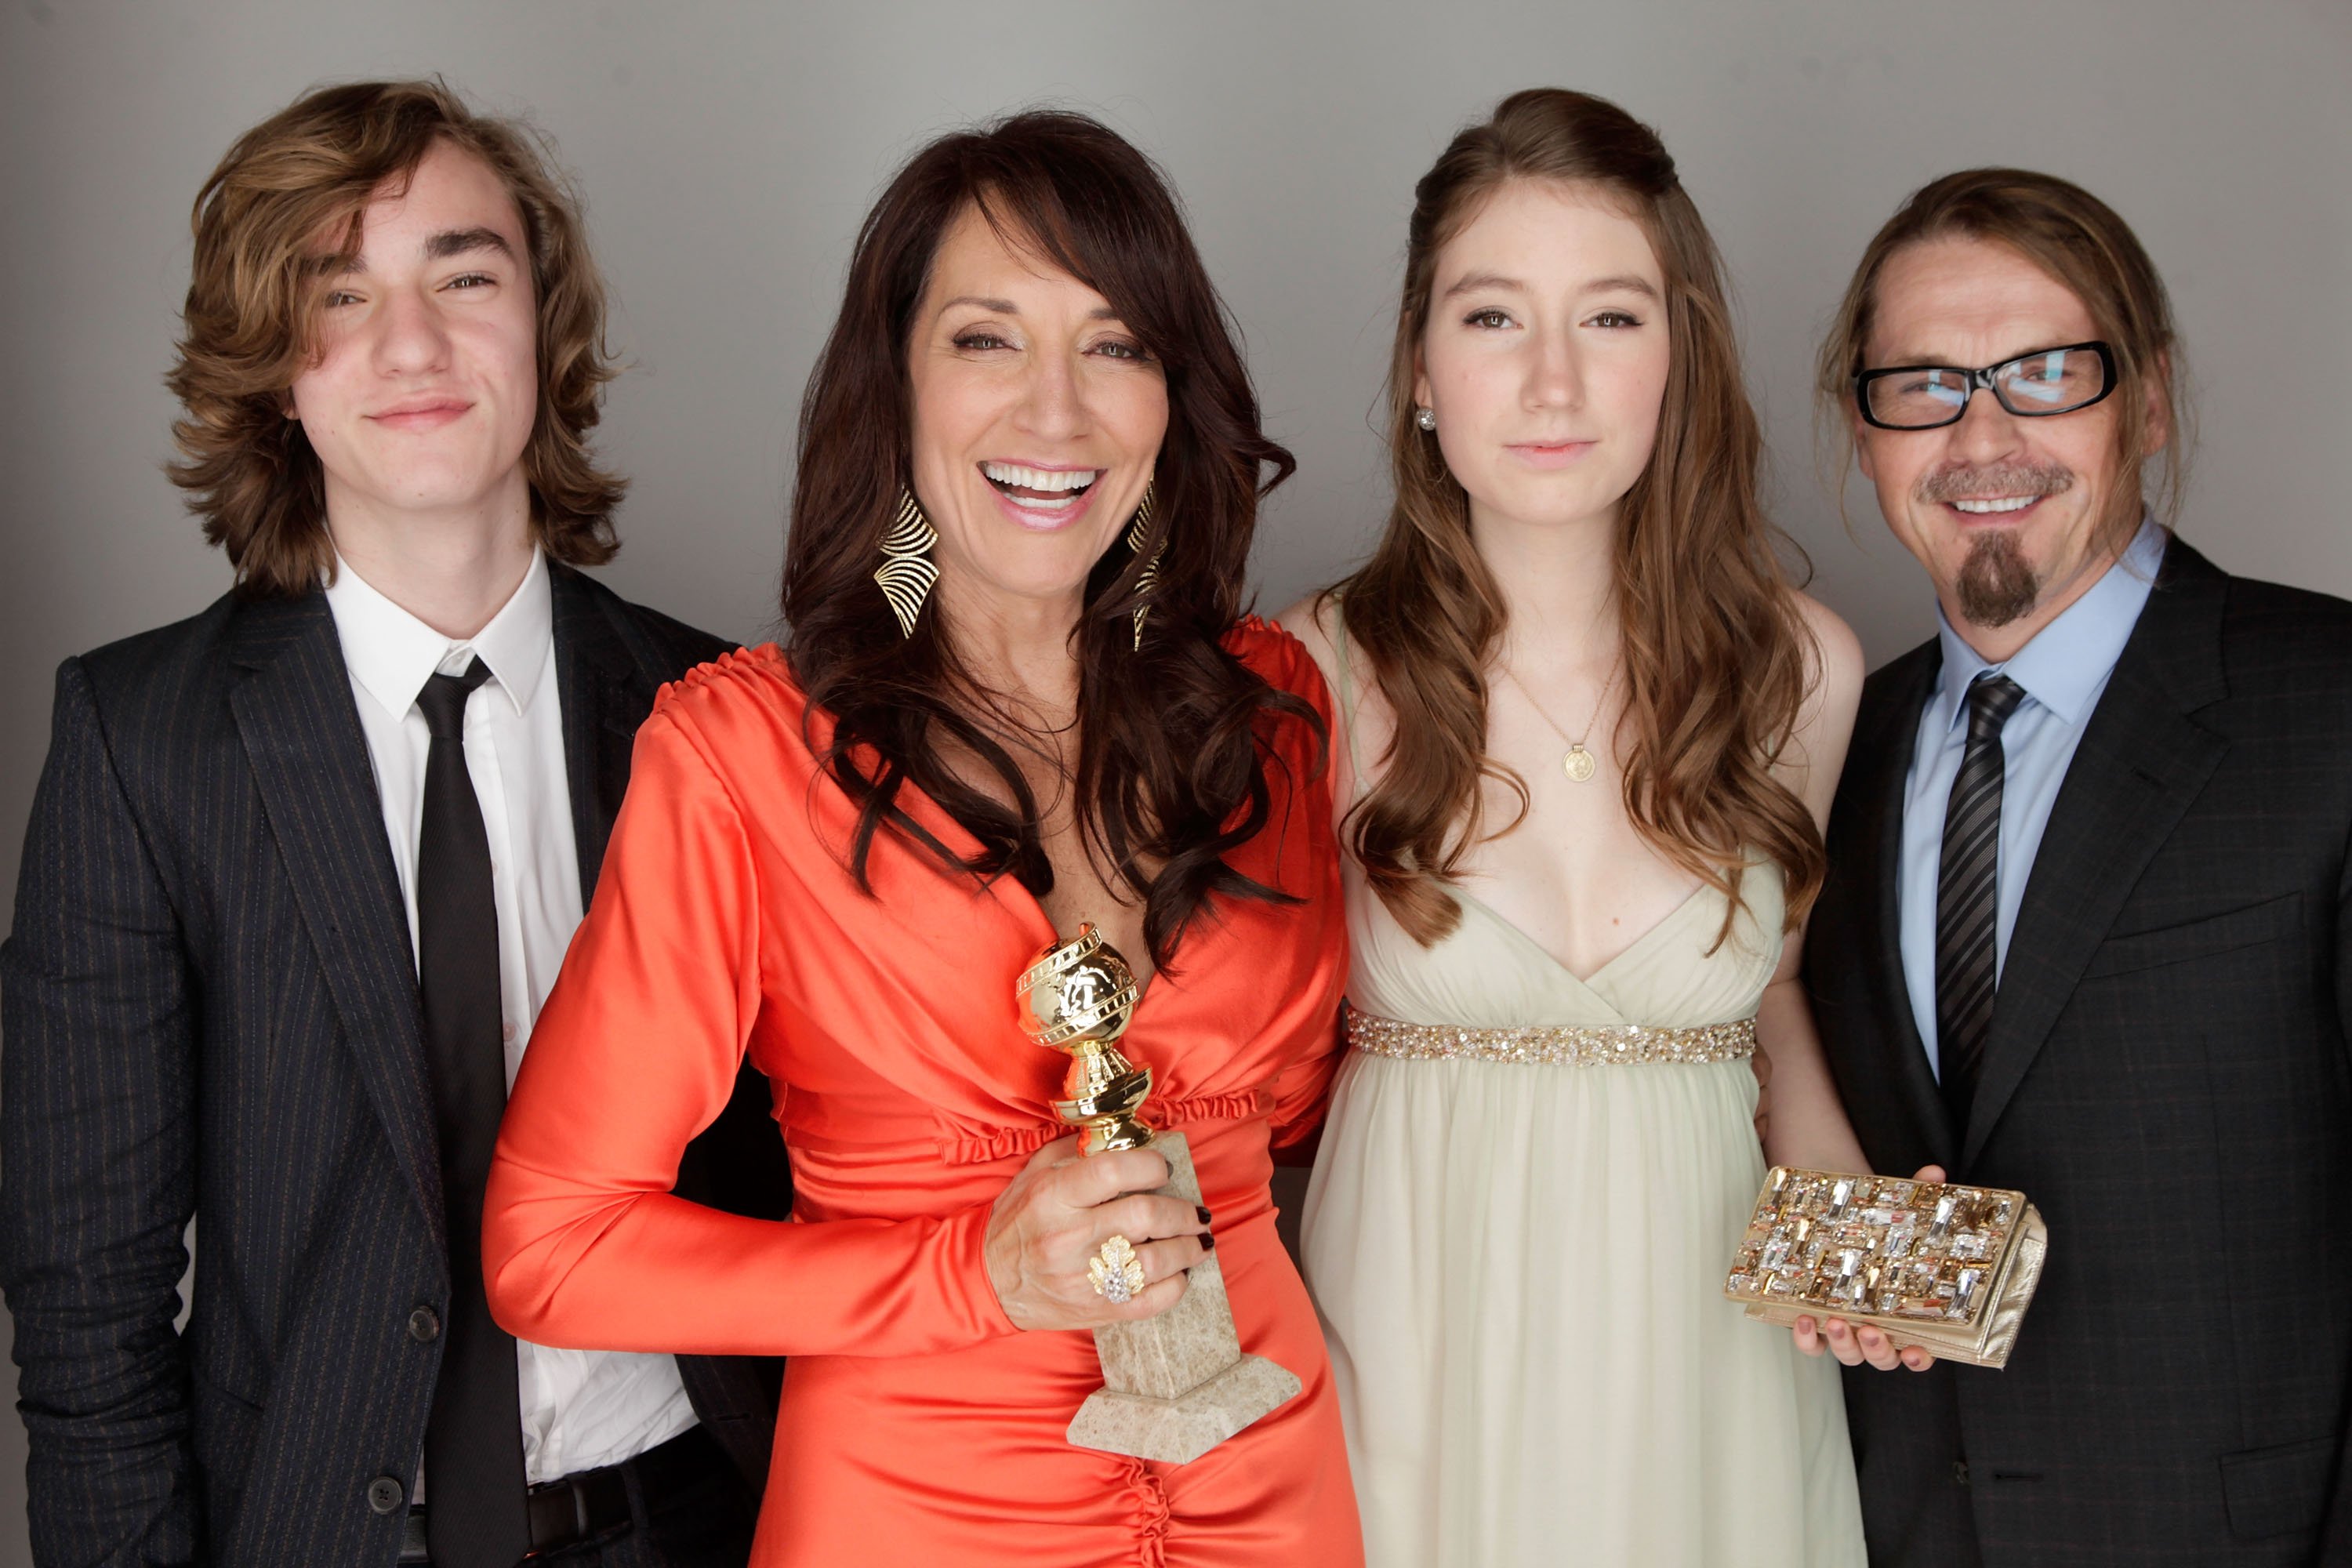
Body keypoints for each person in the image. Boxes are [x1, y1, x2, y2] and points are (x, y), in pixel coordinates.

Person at [479, 111, 1362, 1566]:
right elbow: (550, 1249)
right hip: (916, 1512)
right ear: (893, 385)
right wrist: (971, 1273)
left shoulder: (1273, 710)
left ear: (1172, 394)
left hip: (1277, 1497)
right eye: (985, 339)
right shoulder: (746, 759)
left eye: (1117, 342)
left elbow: (1350, 1104)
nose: (1057, 414)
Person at [0, 81, 790, 1567]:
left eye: (464, 275)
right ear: (271, 374)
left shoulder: (726, 706)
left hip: (703, 1517)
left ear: (543, 325)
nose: (411, 344)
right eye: (336, 294)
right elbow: (84, 1307)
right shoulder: (139, 742)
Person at [1286, 89, 1873, 1566]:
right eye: (1493, 320)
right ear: (1421, 367)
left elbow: (1776, 989)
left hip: (1710, 1357)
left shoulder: (1803, 671)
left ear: (1680, 357)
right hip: (1413, 1335)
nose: (1552, 383)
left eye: (1609, 319)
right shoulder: (1306, 676)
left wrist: (1851, 1215)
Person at [1804, 167, 2352, 1565]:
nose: (1983, 436)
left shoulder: (2329, 705)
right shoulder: (1823, 756)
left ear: (2150, 400)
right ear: (1862, 430)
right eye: (1922, 383)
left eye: (2047, 373)